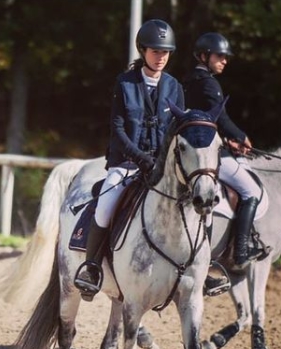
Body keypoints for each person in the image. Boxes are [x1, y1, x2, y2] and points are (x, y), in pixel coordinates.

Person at [74, 19, 184, 300]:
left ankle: (201, 265)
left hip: (161, 168)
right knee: (105, 206)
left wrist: (162, 160)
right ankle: (92, 267)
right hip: (126, 164)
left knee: (195, 200)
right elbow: (119, 129)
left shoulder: (174, 87)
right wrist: (140, 158)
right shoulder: (125, 84)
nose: (161, 58)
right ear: (143, 50)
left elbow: (177, 131)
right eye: (156, 52)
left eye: (165, 52)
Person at [183, 32, 263, 272]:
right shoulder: (208, 83)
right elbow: (222, 119)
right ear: (204, 55)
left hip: (189, 149)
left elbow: (207, 119)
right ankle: (240, 251)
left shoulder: (187, 80)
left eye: (226, 57)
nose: (225, 60)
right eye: (220, 56)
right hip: (207, 154)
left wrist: (229, 140)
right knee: (251, 191)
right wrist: (241, 137)